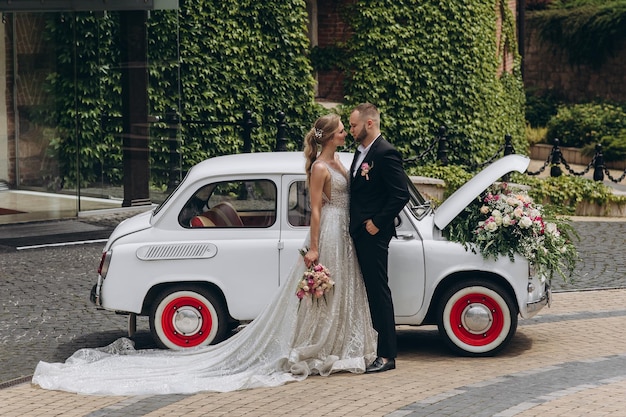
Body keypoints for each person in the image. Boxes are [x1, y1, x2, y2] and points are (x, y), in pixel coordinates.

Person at [31, 114, 377, 396]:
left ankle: (337, 340)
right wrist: (314, 246)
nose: (348, 132)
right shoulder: (319, 167)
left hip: (342, 232)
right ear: (330, 136)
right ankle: (321, 343)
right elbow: (315, 210)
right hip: (328, 232)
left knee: (336, 291)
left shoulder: (335, 162)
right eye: (343, 129)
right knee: (322, 294)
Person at [348, 103, 409, 373]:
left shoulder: (385, 153)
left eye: (353, 125)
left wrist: (377, 223)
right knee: (370, 291)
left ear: (369, 124)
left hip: (373, 234)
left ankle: (387, 355)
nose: (350, 130)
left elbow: (400, 194)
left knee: (378, 291)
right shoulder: (361, 152)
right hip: (359, 232)